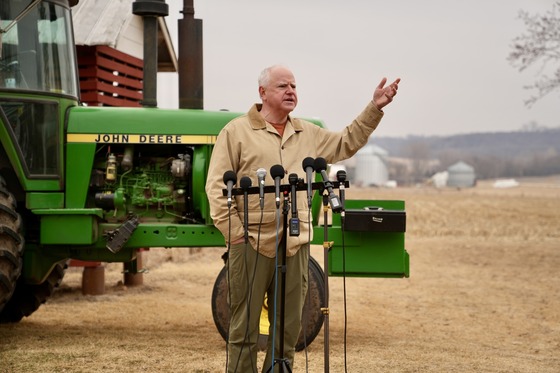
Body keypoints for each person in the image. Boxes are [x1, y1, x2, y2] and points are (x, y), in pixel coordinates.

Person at [205, 65, 400, 372]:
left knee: (289, 328)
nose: (291, 91)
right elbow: (216, 187)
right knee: (243, 327)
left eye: (294, 86)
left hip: (295, 244)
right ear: (262, 93)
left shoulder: (306, 132)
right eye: (283, 86)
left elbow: (346, 142)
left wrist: (374, 108)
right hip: (251, 243)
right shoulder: (236, 132)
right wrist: (236, 235)